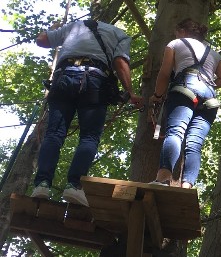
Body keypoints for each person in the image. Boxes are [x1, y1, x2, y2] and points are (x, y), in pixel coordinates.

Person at [31, 19, 143, 206]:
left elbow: (42, 40)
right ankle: (74, 186)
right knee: (89, 137)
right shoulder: (120, 34)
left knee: (54, 134)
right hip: (94, 81)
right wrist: (130, 92)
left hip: (64, 79)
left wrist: (52, 29)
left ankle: (42, 184)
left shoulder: (75, 26)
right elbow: (119, 61)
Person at [149, 18, 221, 188]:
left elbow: (164, 74)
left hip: (185, 90)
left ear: (183, 31)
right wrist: (209, 83)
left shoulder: (176, 43)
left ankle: (163, 178)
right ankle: (187, 187)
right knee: (194, 144)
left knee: (175, 133)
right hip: (209, 99)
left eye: (177, 32)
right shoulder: (213, 53)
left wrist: (157, 96)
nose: (176, 34)